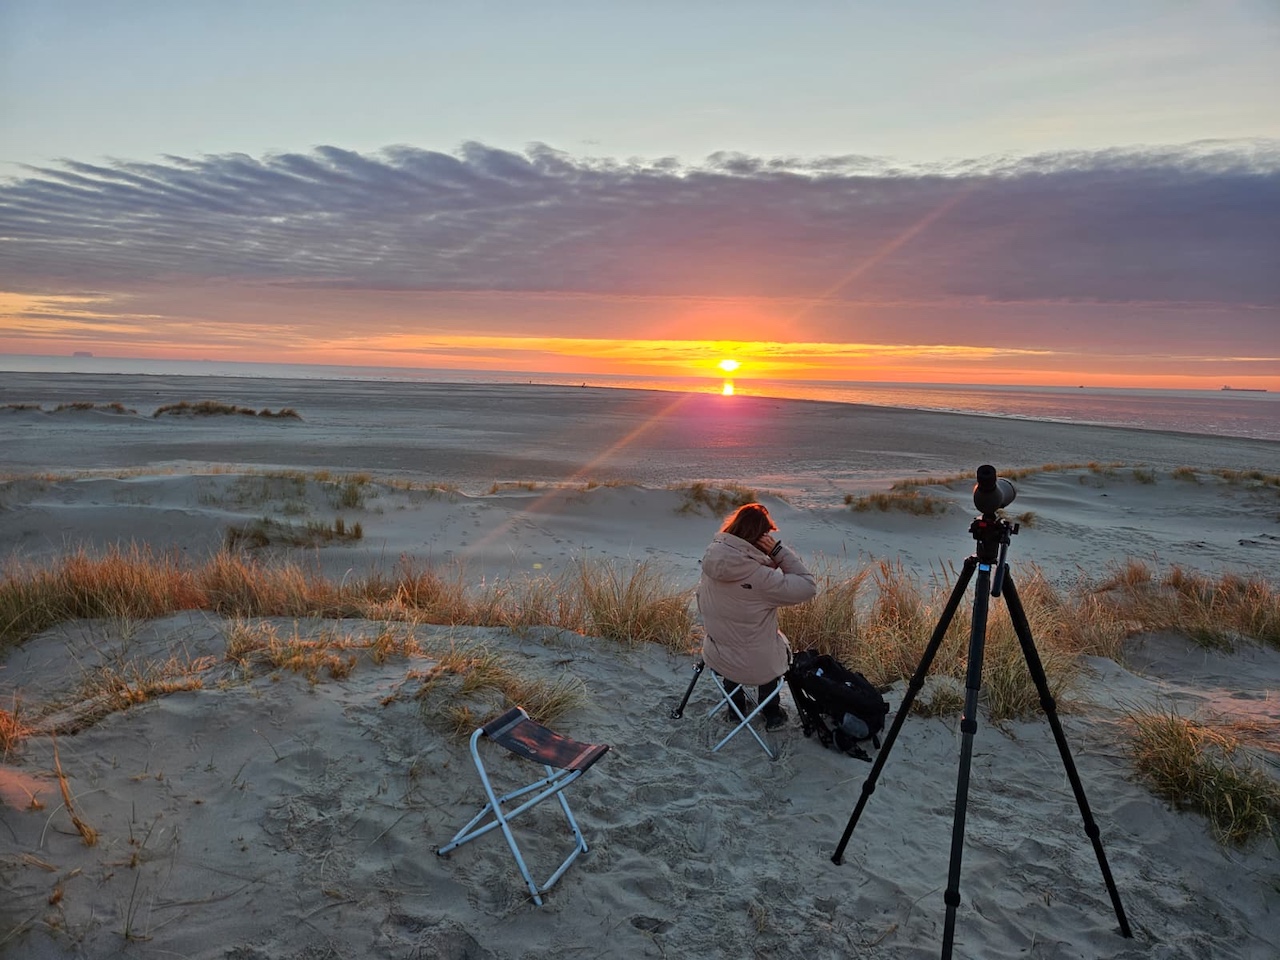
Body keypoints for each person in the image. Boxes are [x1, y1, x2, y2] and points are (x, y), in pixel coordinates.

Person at [696, 502, 817, 731]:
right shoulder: (763, 579)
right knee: (768, 649)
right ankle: (771, 714)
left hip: (718, 658)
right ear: (761, 538)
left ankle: (735, 709)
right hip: (758, 667)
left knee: (734, 639)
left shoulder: (710, 564)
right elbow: (808, 586)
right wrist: (778, 552)